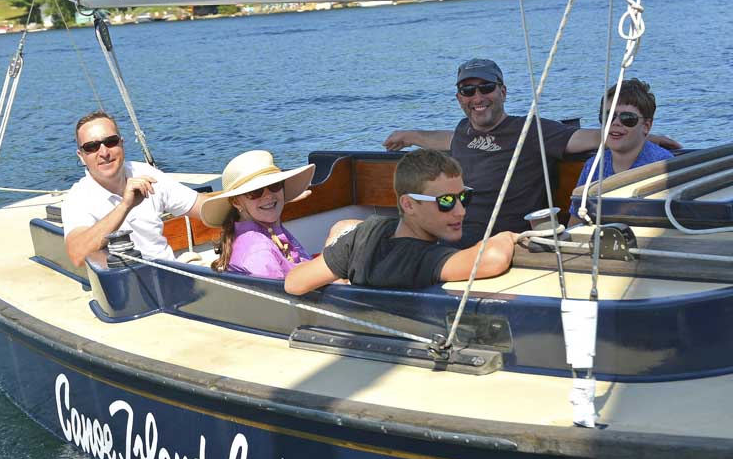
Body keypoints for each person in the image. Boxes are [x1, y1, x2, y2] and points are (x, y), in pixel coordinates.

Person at [382, 58, 680, 248]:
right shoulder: (463, 131)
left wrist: (640, 134)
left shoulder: (530, 130)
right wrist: (411, 136)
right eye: (468, 91)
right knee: (374, 237)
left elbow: (584, 136)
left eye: (485, 88)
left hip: (494, 239)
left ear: (502, 91)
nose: (477, 97)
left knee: (401, 252)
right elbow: (446, 139)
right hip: (450, 226)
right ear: (459, 97)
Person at [284, 149, 515, 295]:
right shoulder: (420, 259)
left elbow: (294, 283)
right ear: (409, 204)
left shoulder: (367, 232)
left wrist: (342, 275)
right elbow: (491, 260)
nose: (460, 210)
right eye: (445, 201)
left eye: (464, 197)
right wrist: (509, 236)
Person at [62, 111, 204, 267]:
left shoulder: (146, 174)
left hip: (170, 275)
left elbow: (203, 207)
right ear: (81, 156)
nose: (104, 152)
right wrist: (125, 205)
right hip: (124, 285)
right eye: (92, 146)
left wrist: (234, 201)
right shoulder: (77, 199)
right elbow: (78, 255)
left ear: (122, 143)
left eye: (111, 142)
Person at [568, 78, 673, 225]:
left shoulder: (662, 165)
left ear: (646, 126)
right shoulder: (593, 166)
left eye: (627, 118)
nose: (616, 123)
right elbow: (574, 223)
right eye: (608, 116)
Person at [200, 150, 316, 279]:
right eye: (255, 192)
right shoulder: (258, 250)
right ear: (236, 202)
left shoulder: (262, 231)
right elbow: (279, 296)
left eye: (274, 185)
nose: (268, 196)